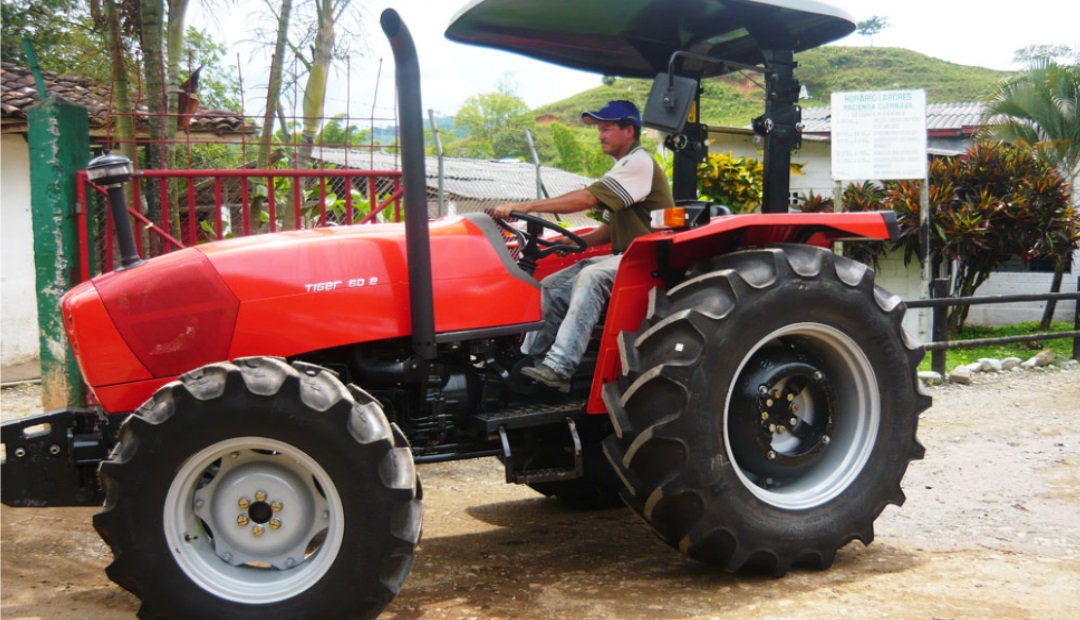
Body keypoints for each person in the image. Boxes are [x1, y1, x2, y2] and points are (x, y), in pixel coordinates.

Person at [493, 100, 674, 392]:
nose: (601, 135)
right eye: (599, 130)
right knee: (552, 285)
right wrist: (576, 242)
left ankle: (560, 367)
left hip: (646, 259)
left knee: (592, 276)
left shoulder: (639, 162)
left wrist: (525, 206)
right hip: (625, 257)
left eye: (607, 129)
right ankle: (529, 362)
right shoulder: (624, 168)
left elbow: (587, 199)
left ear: (629, 130)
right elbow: (608, 229)